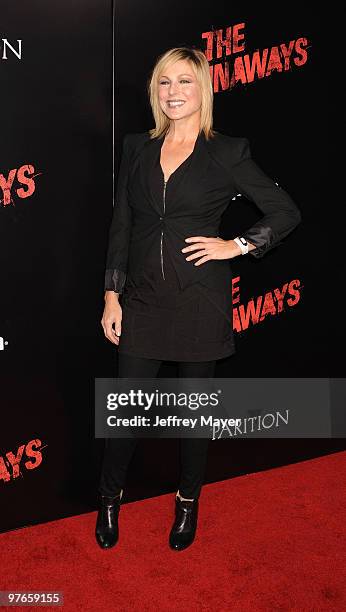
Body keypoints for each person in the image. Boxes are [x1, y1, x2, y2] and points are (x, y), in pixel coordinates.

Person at [95, 46, 302, 551]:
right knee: (125, 414)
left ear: (202, 89)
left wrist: (235, 245)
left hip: (198, 305)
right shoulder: (137, 148)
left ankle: (188, 503)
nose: (173, 92)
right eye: (164, 82)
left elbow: (285, 210)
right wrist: (111, 295)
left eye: (184, 82)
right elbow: (122, 225)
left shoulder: (226, 151)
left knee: (195, 417)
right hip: (140, 301)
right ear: (154, 90)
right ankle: (108, 500)